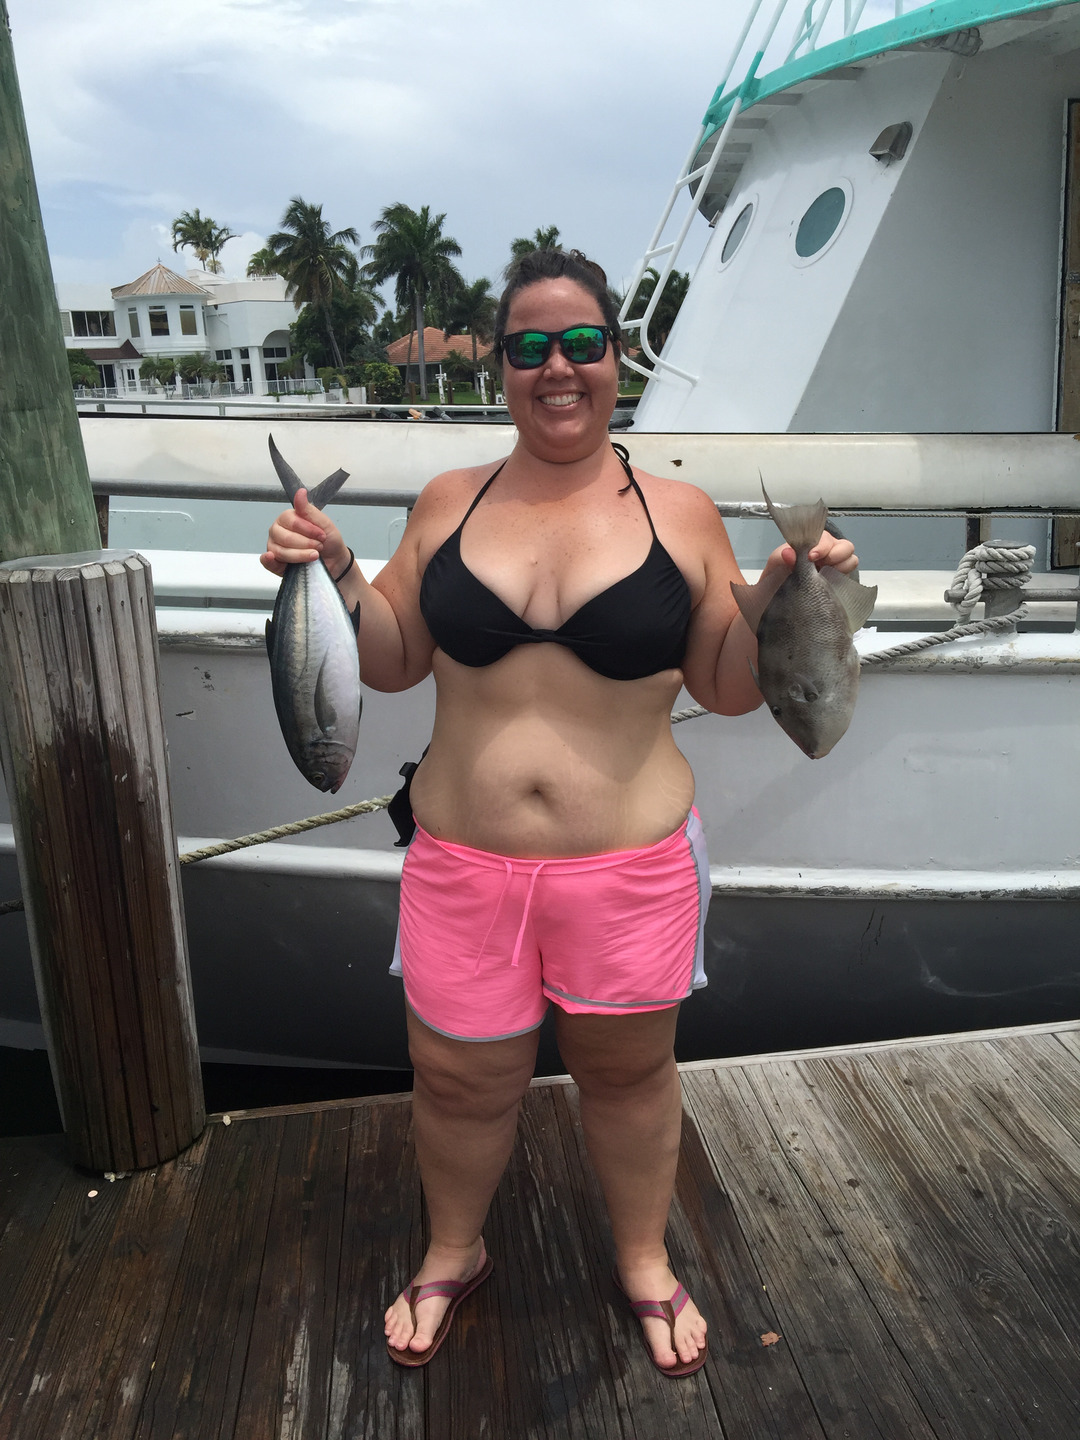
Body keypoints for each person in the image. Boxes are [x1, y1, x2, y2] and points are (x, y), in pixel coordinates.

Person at [261, 248, 857, 1377]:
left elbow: (728, 686)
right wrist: (334, 570)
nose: (558, 368)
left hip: (629, 870)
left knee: (628, 1075)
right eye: (529, 347)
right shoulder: (449, 501)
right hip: (462, 864)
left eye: (582, 343)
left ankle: (643, 1256)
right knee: (456, 1081)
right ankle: (455, 1248)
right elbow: (390, 659)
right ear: (500, 366)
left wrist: (789, 594)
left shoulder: (681, 512)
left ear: (617, 359)